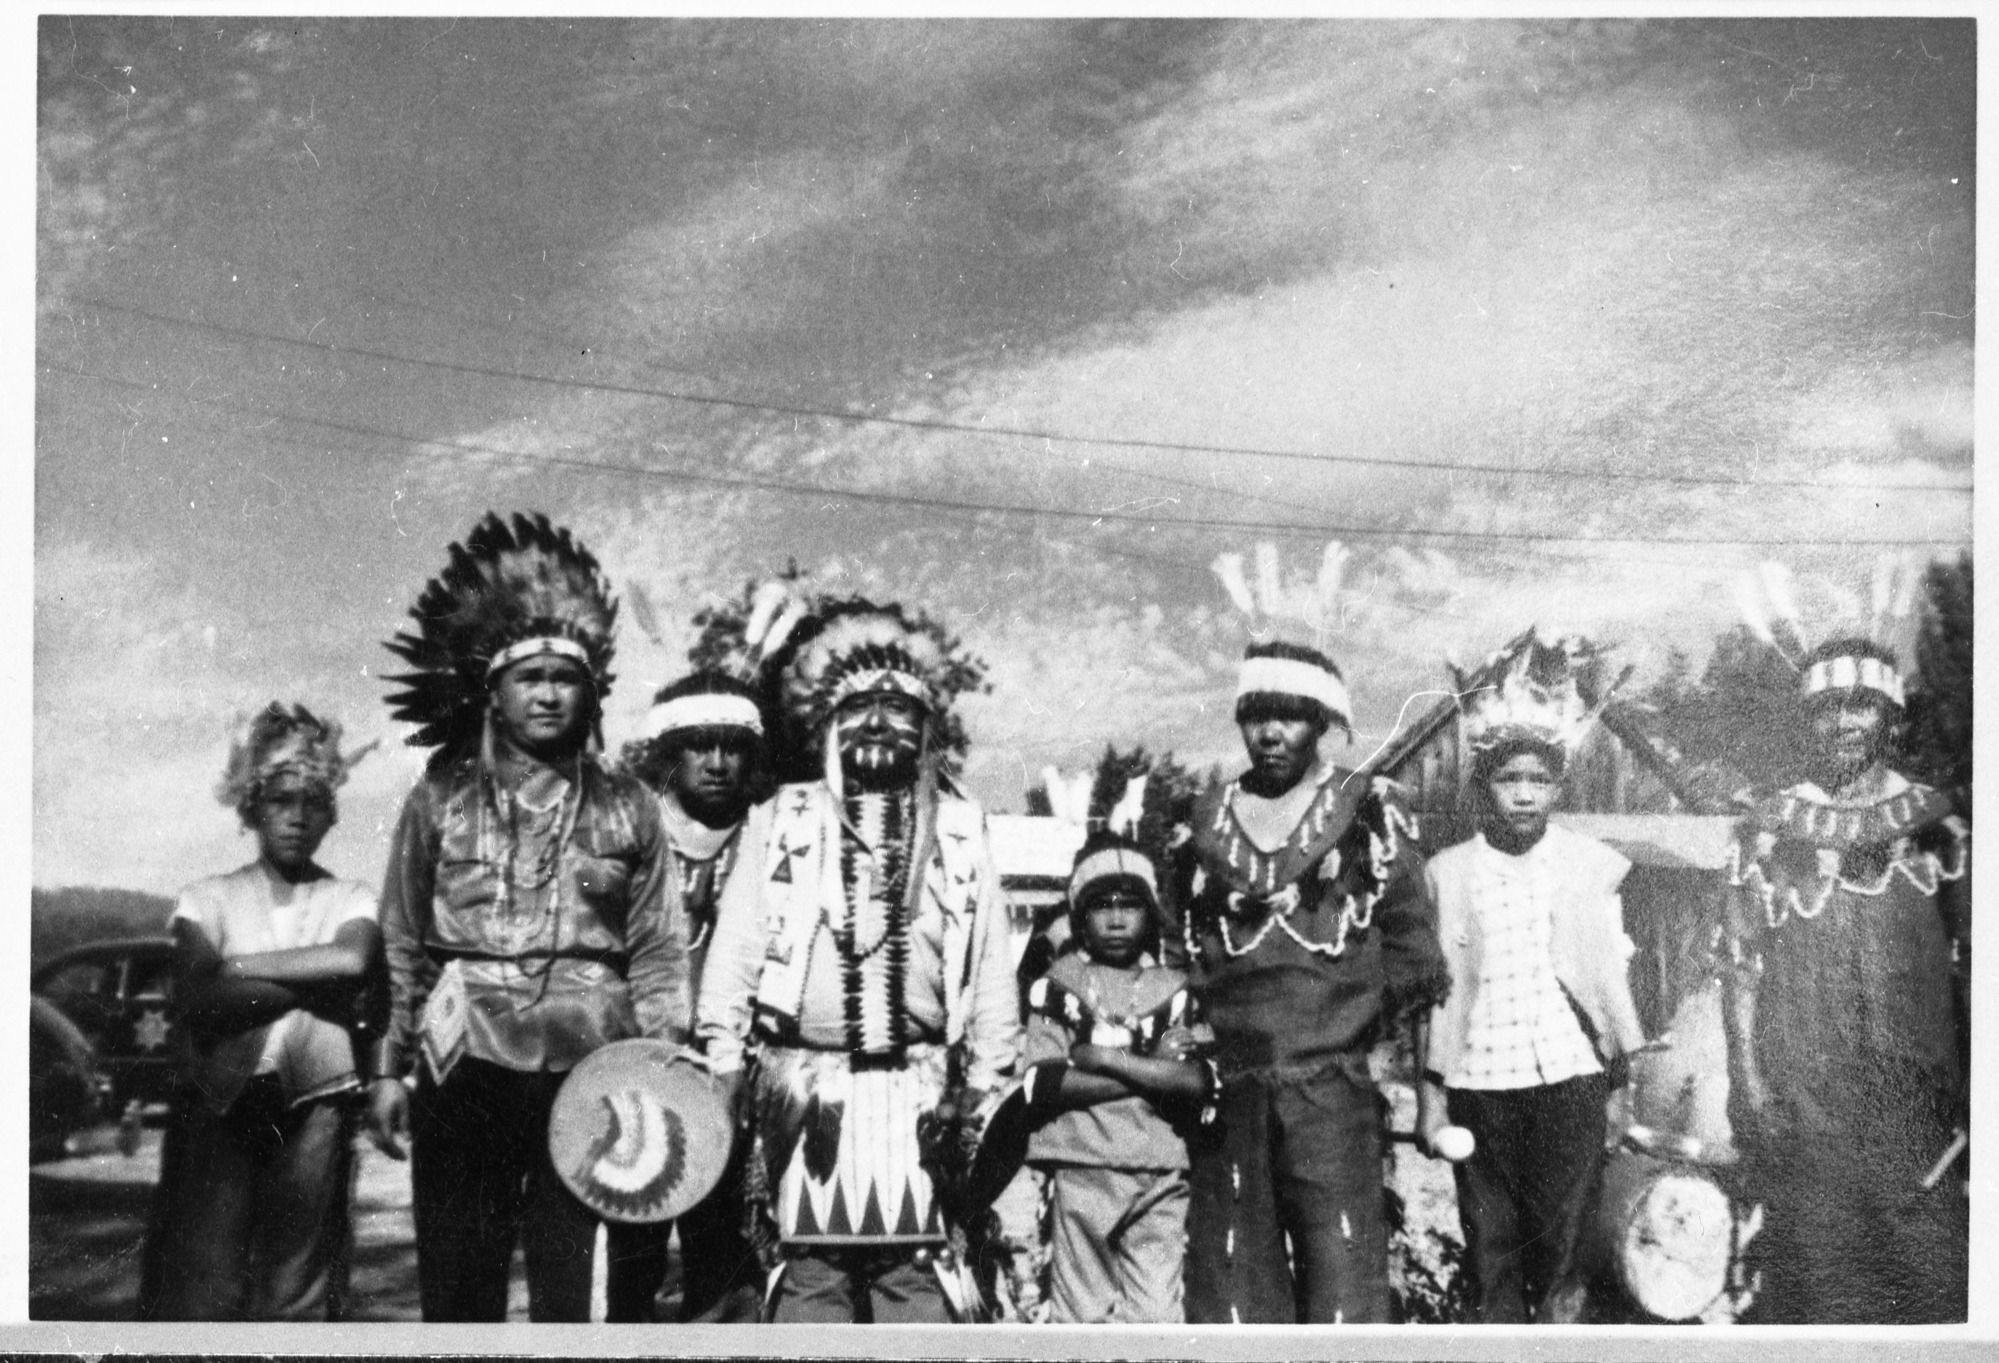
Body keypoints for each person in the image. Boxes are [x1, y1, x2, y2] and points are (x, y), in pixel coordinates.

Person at [364, 511, 691, 1323]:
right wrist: (385, 1065)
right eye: (528, 676)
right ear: (493, 691)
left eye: (565, 676)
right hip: (461, 1064)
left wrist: (660, 1060)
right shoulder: (440, 799)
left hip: (593, 1063)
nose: (547, 692)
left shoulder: (629, 805)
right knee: (459, 1281)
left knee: (573, 1288)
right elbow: (401, 940)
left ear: (591, 691)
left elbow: (656, 949)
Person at [696, 600, 1020, 1323]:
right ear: (827, 723)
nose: (877, 721)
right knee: (807, 1281)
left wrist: (984, 1093)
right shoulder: (780, 818)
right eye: (859, 706)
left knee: (920, 1284)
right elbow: (735, 954)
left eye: (896, 705)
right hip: (804, 1098)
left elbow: (992, 976)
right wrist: (723, 1063)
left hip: (922, 1100)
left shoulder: (962, 831)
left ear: (926, 725)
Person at [1177, 640, 1449, 1324]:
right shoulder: (1204, 823)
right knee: (1235, 1282)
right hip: (1230, 1091)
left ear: (1321, 719)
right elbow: (1180, 955)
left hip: (1332, 1090)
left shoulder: (1364, 813)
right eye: (1254, 715)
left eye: (1290, 715)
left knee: (1343, 1278)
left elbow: (1412, 948)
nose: (1269, 732)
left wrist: (1360, 1036)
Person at [1720, 636, 1970, 1323]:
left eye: (1861, 705)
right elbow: (1739, 964)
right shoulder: (1769, 827)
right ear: (1807, 720)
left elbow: (1979, 958)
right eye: (1828, 707)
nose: (1844, 722)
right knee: (1817, 1274)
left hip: (1916, 1091)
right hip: (1807, 1093)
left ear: (1890, 717)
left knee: (1929, 1273)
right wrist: (1748, 1082)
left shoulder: (1937, 824)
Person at [1415, 634, 1649, 1324]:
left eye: (1536, 781)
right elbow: (1435, 994)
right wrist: (1430, 1099)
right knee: (1491, 1248)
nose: (1522, 794)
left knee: (1564, 1251)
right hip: (1483, 1081)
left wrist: (1617, 1088)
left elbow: (1610, 980)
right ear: (1483, 785)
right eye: (1507, 779)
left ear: (1556, 786)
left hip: (1570, 1080)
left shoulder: (1588, 864)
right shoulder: (1448, 872)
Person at [140, 703, 380, 1321]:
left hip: (316, 1099)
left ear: (331, 813)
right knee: (207, 1274)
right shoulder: (207, 898)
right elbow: (197, 998)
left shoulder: (349, 897)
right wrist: (311, 980)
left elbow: (352, 961)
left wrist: (237, 969)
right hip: (222, 1098)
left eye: (312, 802)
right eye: (279, 800)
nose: (296, 817)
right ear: (252, 808)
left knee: (296, 1276)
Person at [604, 669, 769, 1323]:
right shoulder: (628, 835)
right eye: (701, 744)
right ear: (670, 752)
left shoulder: (772, 834)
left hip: (740, 1077)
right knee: (634, 1252)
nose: (719, 761)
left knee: (725, 1259)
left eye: (732, 744)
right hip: (644, 1071)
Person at [1020, 833, 1213, 1324]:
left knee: (1156, 1317)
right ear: (1079, 915)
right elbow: (1042, 1084)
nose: (1116, 918)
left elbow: (1196, 1084)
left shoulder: (1174, 990)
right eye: (1101, 905)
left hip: (1160, 1172)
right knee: (1080, 1317)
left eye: (1130, 905)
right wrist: (1151, 1068)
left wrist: (1103, 1060)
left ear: (1150, 914)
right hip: (1084, 1168)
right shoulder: (1059, 984)